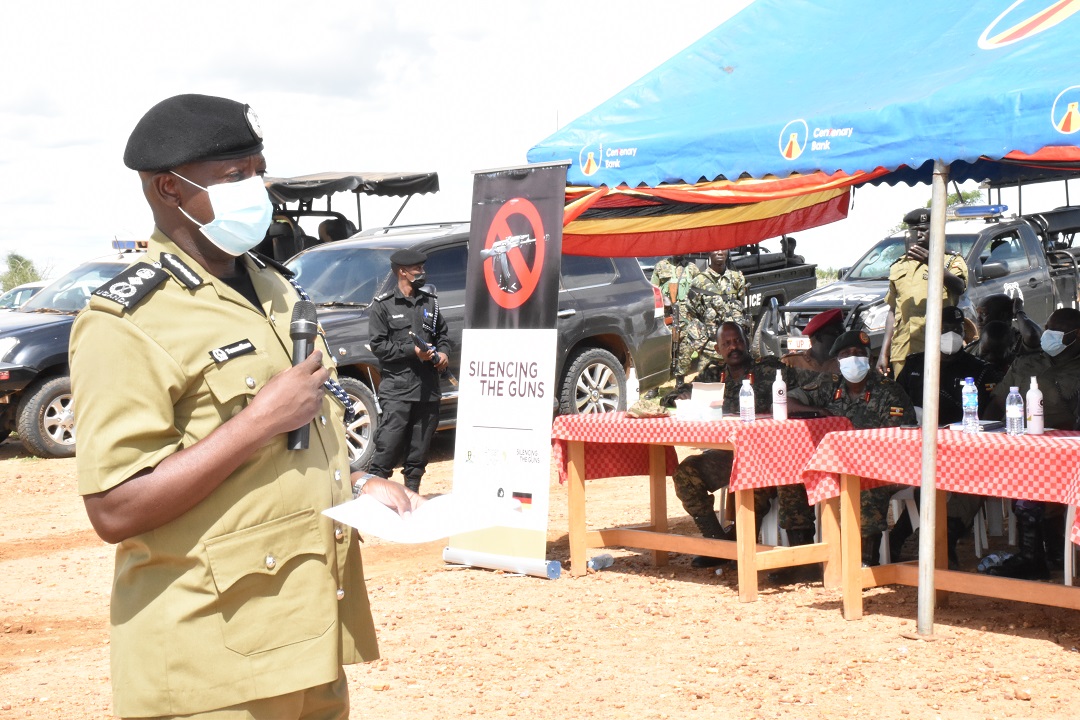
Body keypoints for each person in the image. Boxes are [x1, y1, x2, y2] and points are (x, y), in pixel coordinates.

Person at [70, 94, 421, 719]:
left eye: (258, 171)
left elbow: (298, 438)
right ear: (169, 189)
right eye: (235, 176)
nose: (256, 189)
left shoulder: (273, 287)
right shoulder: (126, 322)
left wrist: (356, 480)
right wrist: (258, 421)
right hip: (211, 659)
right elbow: (115, 507)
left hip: (309, 635)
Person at [663, 321, 820, 568]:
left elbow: (813, 384)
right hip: (730, 454)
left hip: (772, 455)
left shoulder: (769, 369)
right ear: (718, 349)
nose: (733, 347)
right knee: (686, 473)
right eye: (726, 344)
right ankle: (718, 545)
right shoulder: (713, 375)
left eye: (737, 341)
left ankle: (780, 555)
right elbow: (674, 394)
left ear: (746, 343)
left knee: (763, 478)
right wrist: (680, 397)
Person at [890, 306, 1004, 565]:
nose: (950, 334)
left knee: (970, 479)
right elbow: (897, 402)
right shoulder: (915, 364)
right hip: (917, 447)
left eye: (956, 329)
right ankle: (902, 537)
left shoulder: (979, 369)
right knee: (924, 480)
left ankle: (945, 538)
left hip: (966, 449)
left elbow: (994, 411)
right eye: (944, 329)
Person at [800, 330, 917, 566]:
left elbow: (897, 440)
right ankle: (806, 558)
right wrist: (819, 411)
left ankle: (865, 560)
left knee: (864, 486)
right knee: (796, 479)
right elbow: (791, 401)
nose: (853, 358)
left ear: (869, 359)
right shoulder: (829, 385)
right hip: (837, 466)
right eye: (846, 354)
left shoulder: (888, 390)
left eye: (858, 353)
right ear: (838, 361)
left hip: (883, 467)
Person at [983, 307, 1080, 579]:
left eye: (1056, 331)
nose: (1048, 335)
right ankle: (1042, 556)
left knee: (1031, 483)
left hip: (1066, 455)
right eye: (1047, 329)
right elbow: (997, 403)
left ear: (1076, 336)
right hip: (1021, 449)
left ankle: (1037, 558)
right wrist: (982, 432)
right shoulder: (1027, 363)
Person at [767, 309, 845, 583]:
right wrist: (816, 413)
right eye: (834, 335)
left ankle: (850, 555)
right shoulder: (792, 363)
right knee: (790, 477)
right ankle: (802, 556)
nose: (839, 340)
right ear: (818, 338)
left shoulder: (844, 364)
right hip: (799, 447)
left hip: (843, 452)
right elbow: (782, 401)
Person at [367, 248, 451, 494]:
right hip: (398, 390)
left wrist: (443, 353)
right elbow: (379, 347)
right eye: (418, 269)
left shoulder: (430, 302)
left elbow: (442, 335)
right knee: (388, 446)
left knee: (420, 450)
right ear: (403, 272)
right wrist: (412, 351)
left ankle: (412, 494)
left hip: (427, 390)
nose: (423, 272)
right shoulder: (383, 306)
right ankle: (374, 497)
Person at [877, 208, 968, 378]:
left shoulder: (950, 261)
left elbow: (959, 287)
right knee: (904, 393)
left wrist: (932, 262)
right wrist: (884, 353)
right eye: (914, 231)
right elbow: (893, 310)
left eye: (924, 230)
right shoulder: (899, 265)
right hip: (903, 349)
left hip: (938, 348)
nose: (918, 235)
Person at [685, 249, 749, 369]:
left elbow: (743, 307)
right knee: (708, 381)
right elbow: (691, 315)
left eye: (723, 249)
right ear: (709, 252)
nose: (720, 252)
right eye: (715, 249)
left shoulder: (737, 278)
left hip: (736, 352)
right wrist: (703, 344)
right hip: (711, 353)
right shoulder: (698, 282)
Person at [651, 254, 700, 384]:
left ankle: (680, 381)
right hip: (667, 317)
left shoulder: (692, 268)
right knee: (661, 351)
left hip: (686, 318)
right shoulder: (661, 266)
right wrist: (665, 299)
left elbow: (699, 290)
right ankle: (655, 386)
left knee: (685, 350)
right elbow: (653, 289)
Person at [971, 292, 1042, 366]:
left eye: (983, 314)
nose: (978, 319)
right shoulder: (973, 347)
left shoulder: (1020, 341)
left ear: (1003, 316)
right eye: (978, 313)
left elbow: (1032, 334)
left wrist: (1018, 312)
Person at [781, 308, 843, 374]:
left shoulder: (844, 362)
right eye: (836, 333)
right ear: (818, 337)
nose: (842, 337)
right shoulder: (791, 362)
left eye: (843, 333)